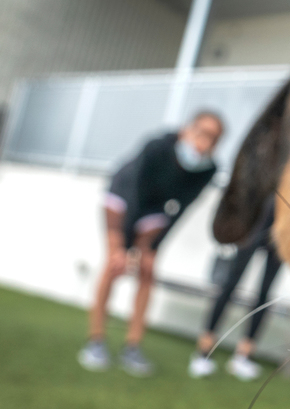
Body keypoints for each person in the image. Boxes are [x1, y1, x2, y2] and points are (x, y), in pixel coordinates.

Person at [78, 111, 224, 377]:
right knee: (115, 265)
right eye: (201, 132)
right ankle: (95, 341)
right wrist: (123, 248)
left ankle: (132, 347)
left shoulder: (208, 171)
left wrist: (152, 249)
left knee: (147, 270)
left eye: (213, 139)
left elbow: (179, 211)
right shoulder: (156, 146)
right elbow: (133, 190)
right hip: (122, 197)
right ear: (187, 129)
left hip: (154, 211)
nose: (204, 142)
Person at [188, 198, 282, 380]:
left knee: (265, 294)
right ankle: (203, 352)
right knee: (230, 285)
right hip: (256, 221)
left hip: (282, 229)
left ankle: (243, 356)